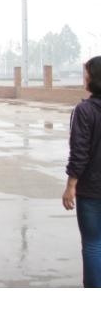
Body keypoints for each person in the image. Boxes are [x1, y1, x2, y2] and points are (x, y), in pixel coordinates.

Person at [63, 56, 101, 287]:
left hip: (92, 190)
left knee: (93, 244)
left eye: (86, 72)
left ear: (93, 78)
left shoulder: (84, 111)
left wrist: (70, 186)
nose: (84, 76)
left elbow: (79, 152)